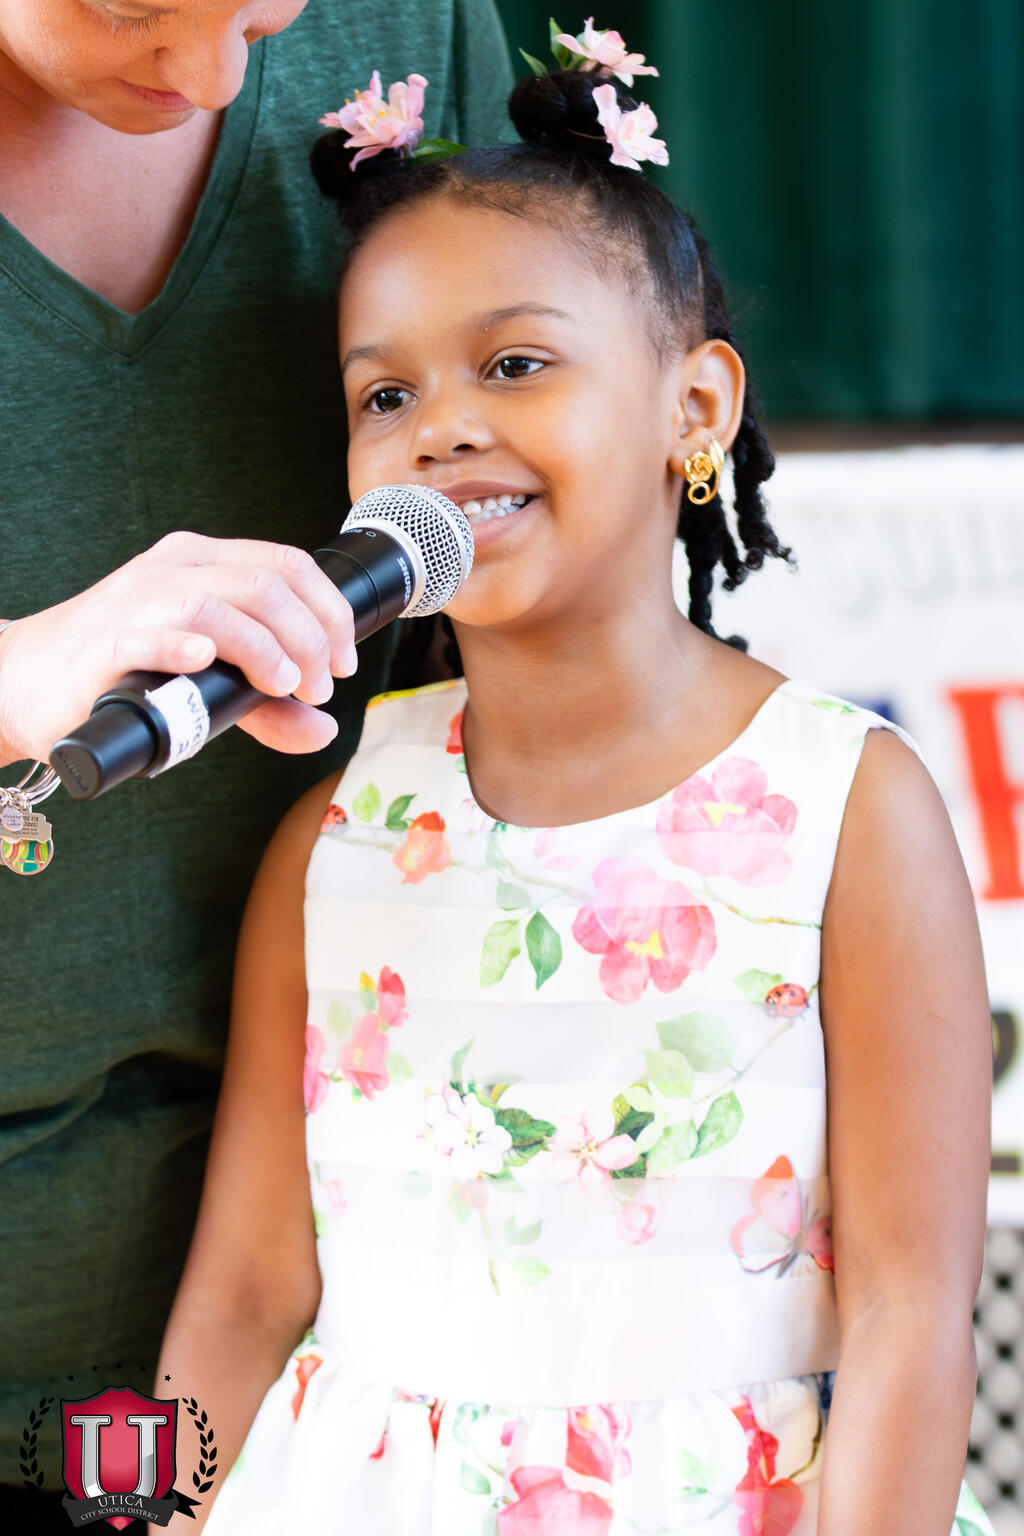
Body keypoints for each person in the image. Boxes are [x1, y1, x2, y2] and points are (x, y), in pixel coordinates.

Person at [157, 36, 996, 1536]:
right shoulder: (337, 837)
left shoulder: (849, 809)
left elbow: (908, 1316)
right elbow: (243, 1293)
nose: (440, 426)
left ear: (696, 408)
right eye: (384, 393)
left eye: (516, 364)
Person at [0, 0, 513, 1518]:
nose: (217, 76)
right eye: (137, 7)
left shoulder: (413, 26)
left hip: (315, 1354)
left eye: (262, 13)